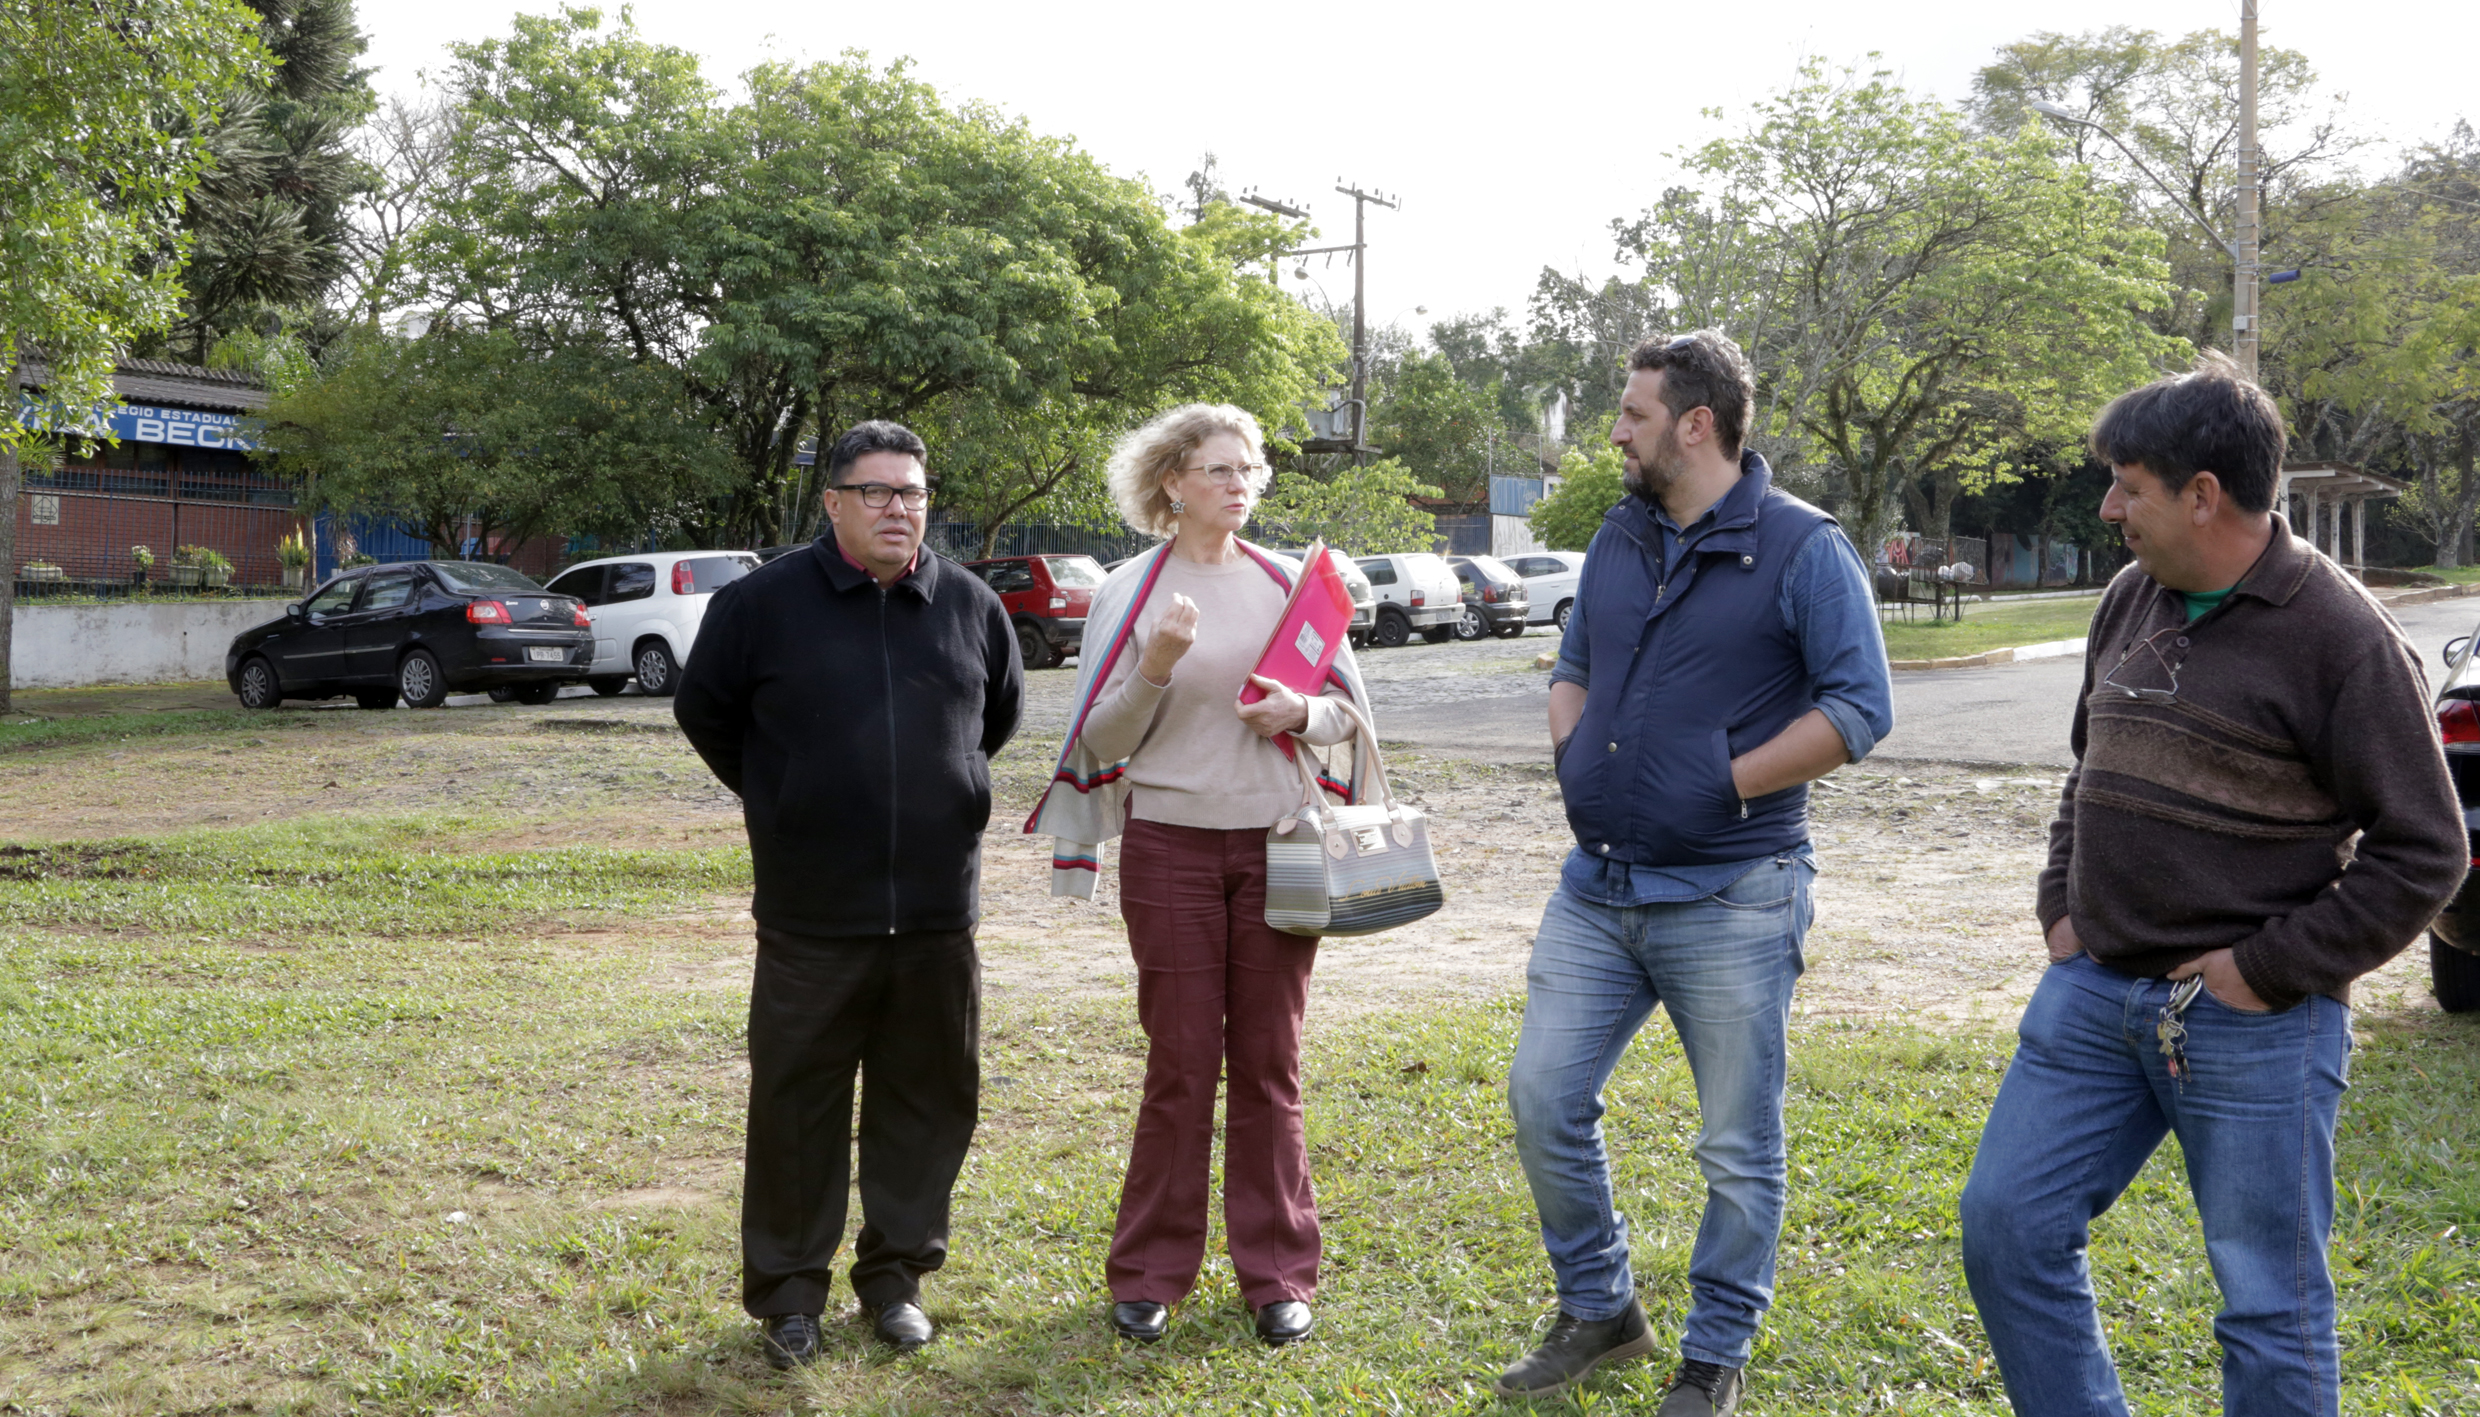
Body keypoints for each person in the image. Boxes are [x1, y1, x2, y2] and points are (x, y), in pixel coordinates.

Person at [1958, 354, 2464, 1417]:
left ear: (2201, 494)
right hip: (2091, 995)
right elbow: (2085, 763)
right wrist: (2061, 908)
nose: (2106, 509)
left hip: (2252, 1021)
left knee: (2266, 1308)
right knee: (2005, 1230)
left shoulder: (2344, 639)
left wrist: (2264, 969)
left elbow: (2424, 849)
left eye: (2126, 485)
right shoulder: (2128, 599)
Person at [1495, 331, 1894, 1413]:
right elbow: (1574, 661)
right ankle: (1599, 1309)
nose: (1614, 430)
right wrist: (1574, 752)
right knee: (1542, 1096)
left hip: (1732, 893)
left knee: (1733, 1144)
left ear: (1695, 423)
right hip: (1597, 888)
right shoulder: (1617, 535)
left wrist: (1724, 782)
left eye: (1630, 413)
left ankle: (1713, 1352)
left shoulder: (1802, 546)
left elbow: (1860, 708)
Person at [1026, 403, 1378, 1348]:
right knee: (1181, 1063)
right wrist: (1156, 667)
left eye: (1253, 468)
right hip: (1171, 851)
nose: (1242, 483)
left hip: (1280, 847)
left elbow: (1351, 718)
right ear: (1173, 481)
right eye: (1222, 468)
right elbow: (1096, 740)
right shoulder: (1130, 592)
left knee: (1270, 1063)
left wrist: (1301, 714)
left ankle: (1276, 1275)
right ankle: (1150, 1273)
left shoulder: (1290, 585)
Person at [673, 420, 1022, 1369]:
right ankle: (790, 1295)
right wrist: (786, 795)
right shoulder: (761, 605)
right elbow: (704, 710)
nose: (898, 509)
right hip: (811, 915)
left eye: (912, 492)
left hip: (939, 917)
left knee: (928, 1099)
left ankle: (897, 1279)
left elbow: (993, 720)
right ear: (832, 502)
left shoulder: (972, 605)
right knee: (797, 1105)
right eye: (876, 492)